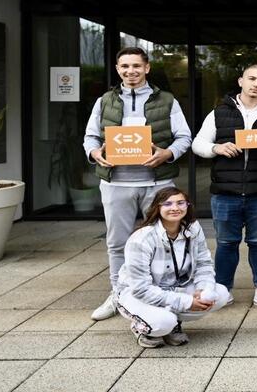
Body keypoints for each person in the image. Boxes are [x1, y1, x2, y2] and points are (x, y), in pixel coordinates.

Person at [84, 46, 192, 321]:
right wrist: (95, 153)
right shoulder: (104, 101)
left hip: (157, 184)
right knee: (117, 242)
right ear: (118, 69)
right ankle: (118, 294)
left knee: (160, 241)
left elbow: (184, 137)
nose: (130, 71)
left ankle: (156, 294)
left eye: (136, 66)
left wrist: (167, 154)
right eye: (125, 66)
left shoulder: (167, 100)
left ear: (147, 68)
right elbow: (90, 137)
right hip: (116, 183)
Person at [191, 64, 257, 313]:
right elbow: (198, 143)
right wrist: (216, 148)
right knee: (226, 243)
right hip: (225, 192)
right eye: (251, 78)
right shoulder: (219, 112)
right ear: (241, 81)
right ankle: (222, 290)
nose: (256, 84)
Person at [116, 186, 230, 348]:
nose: (175, 208)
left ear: (187, 206)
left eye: (181, 203)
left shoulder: (193, 229)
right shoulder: (142, 239)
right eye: (168, 204)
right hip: (136, 293)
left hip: (174, 288)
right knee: (162, 323)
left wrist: (203, 289)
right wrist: (186, 302)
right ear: (157, 207)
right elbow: (141, 289)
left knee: (219, 294)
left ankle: (172, 322)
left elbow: (204, 264)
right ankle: (142, 327)